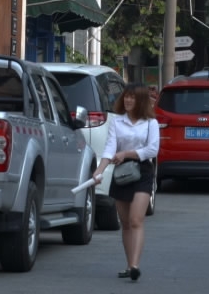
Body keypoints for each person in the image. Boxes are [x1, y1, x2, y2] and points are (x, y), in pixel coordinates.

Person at [93, 83, 159, 282]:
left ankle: (135, 266)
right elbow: (109, 148)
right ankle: (130, 265)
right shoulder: (117, 122)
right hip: (122, 173)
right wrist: (99, 170)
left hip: (143, 171)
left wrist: (126, 154)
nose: (128, 100)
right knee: (125, 223)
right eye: (126, 96)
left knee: (136, 219)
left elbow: (152, 149)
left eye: (133, 97)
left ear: (141, 100)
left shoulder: (151, 123)